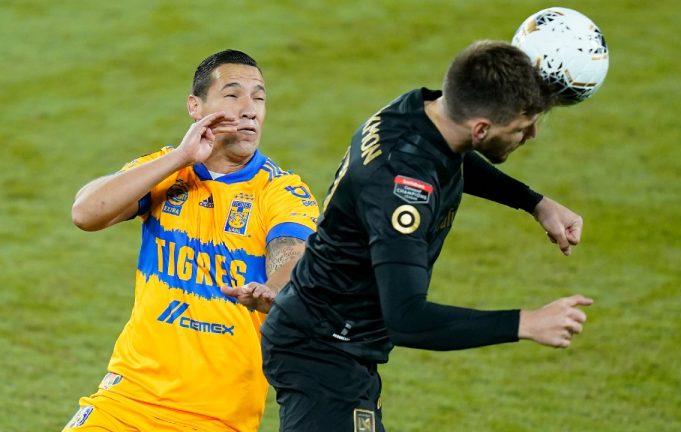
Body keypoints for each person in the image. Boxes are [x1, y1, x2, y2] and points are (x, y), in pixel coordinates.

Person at [228, 40, 594, 431]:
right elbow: (407, 318)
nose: (532, 133)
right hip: (321, 351)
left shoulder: (418, 111)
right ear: (481, 128)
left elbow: (451, 157)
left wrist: (534, 202)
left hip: (333, 336)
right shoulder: (401, 191)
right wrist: (528, 323)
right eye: (521, 128)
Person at [63, 50, 319, 431]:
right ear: (195, 107)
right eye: (233, 95)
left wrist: (273, 289)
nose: (249, 110)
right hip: (126, 398)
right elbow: (85, 212)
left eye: (259, 98)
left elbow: (293, 256)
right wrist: (180, 157)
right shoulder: (167, 170)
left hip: (216, 417)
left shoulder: (281, 191)